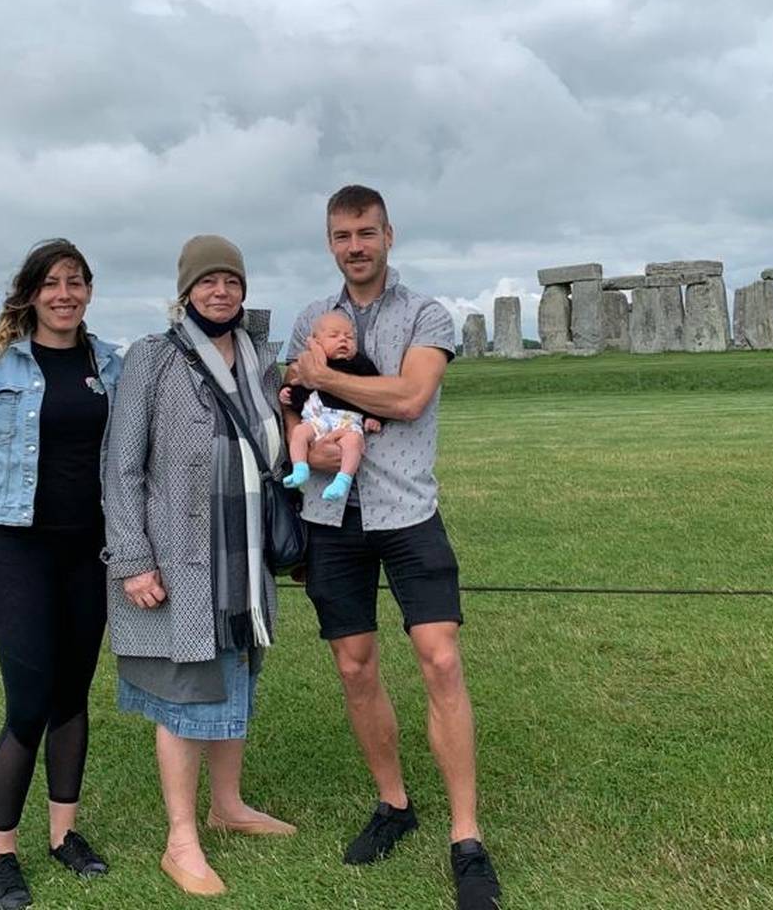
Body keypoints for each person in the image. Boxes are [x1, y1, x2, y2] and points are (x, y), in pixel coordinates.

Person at [286, 185, 502, 910]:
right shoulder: (308, 322)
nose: (356, 246)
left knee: (440, 658)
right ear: (330, 242)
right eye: (343, 234)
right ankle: (394, 804)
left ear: (389, 235)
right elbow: (294, 414)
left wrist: (326, 378)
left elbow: (412, 399)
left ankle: (466, 838)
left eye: (367, 232)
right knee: (354, 665)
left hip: (409, 510)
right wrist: (314, 435)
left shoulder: (426, 314)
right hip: (331, 517)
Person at [0, 239, 121, 910]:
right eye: (52, 283)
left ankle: (64, 834)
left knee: (73, 698)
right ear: (31, 293)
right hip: (21, 554)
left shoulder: (112, 366)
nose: (65, 293)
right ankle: (0, 853)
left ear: (89, 291)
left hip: (90, 555)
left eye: (76, 282)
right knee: (28, 703)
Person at [104, 235, 294, 898]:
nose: (221, 292)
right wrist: (132, 559)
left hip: (241, 556)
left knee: (235, 669)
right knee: (184, 690)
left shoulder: (261, 358)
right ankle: (180, 840)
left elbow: (283, 443)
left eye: (231, 281)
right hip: (176, 556)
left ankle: (228, 805)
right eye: (208, 281)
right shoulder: (152, 359)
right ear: (186, 290)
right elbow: (121, 467)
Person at [280, 310, 384, 502]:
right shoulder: (311, 364)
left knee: (353, 443)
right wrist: (289, 394)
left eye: (349, 337)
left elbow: (374, 391)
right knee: (299, 433)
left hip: (347, 421)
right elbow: (302, 387)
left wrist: (374, 417)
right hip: (317, 419)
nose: (343, 340)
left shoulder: (358, 364)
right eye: (334, 336)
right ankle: (300, 467)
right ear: (316, 342)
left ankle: (343, 479)